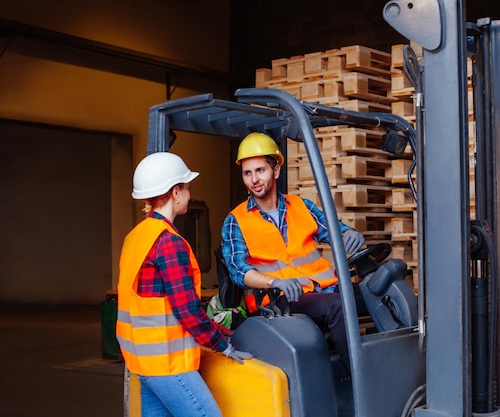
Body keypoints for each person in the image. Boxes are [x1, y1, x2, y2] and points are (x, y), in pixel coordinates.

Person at [116, 151, 252, 417]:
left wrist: (221, 332)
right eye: (187, 188)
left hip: (141, 361)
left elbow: (157, 305)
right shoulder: (168, 242)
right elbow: (187, 311)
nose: (188, 195)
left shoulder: (135, 237)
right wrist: (223, 345)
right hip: (167, 364)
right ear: (175, 192)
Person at [220, 132, 366, 374]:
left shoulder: (301, 206)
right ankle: (359, 380)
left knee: (376, 293)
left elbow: (333, 230)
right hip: (280, 299)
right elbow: (238, 270)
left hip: (322, 287)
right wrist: (274, 281)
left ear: (275, 171)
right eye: (248, 173)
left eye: (260, 171)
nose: (254, 179)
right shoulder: (236, 220)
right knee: (337, 307)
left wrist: (350, 234)